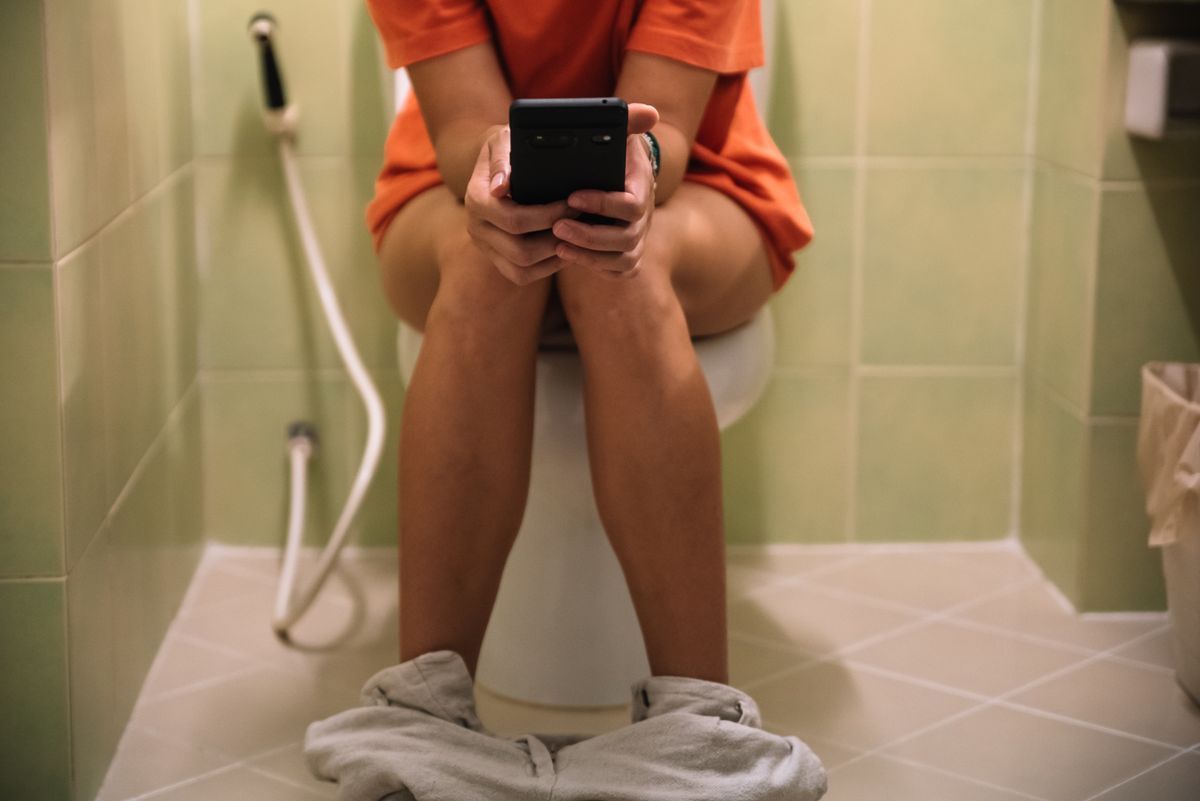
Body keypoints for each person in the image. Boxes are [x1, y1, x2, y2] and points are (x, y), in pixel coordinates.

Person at [365, 0, 813, 688]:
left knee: (615, 268)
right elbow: (460, 125)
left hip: (701, 186)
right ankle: (424, 712)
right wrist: (498, 182)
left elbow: (666, 126)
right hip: (451, 190)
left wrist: (637, 169)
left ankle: (698, 721)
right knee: (491, 261)